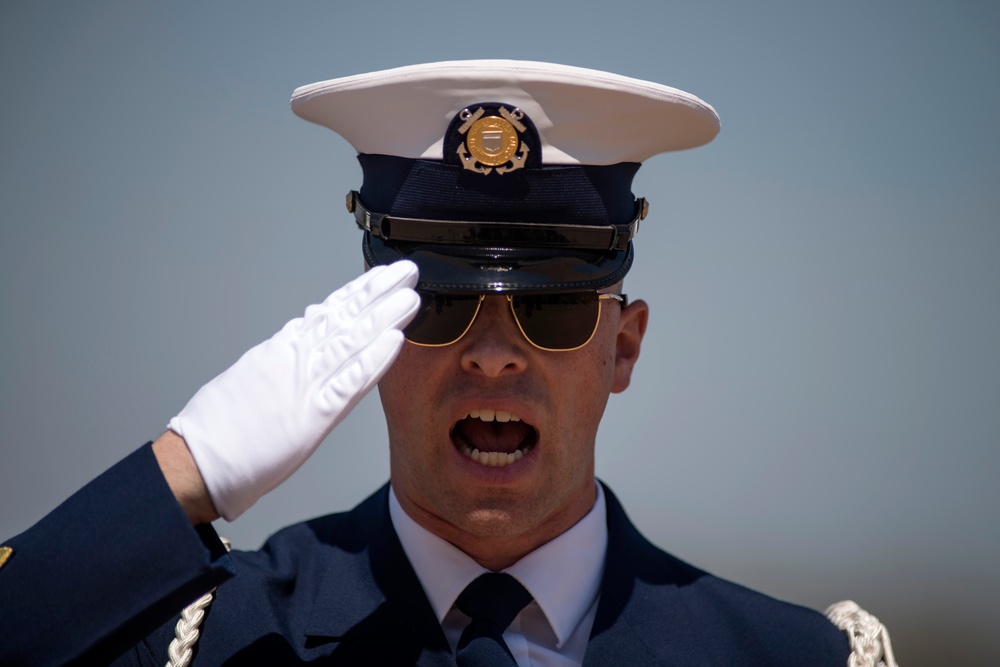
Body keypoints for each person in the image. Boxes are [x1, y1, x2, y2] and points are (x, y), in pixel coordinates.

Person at [1, 60, 860, 666]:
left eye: (551, 307)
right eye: (437, 308)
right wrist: (185, 470)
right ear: (365, 341)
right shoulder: (209, 637)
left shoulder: (791, 654)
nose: (491, 357)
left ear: (622, 348)